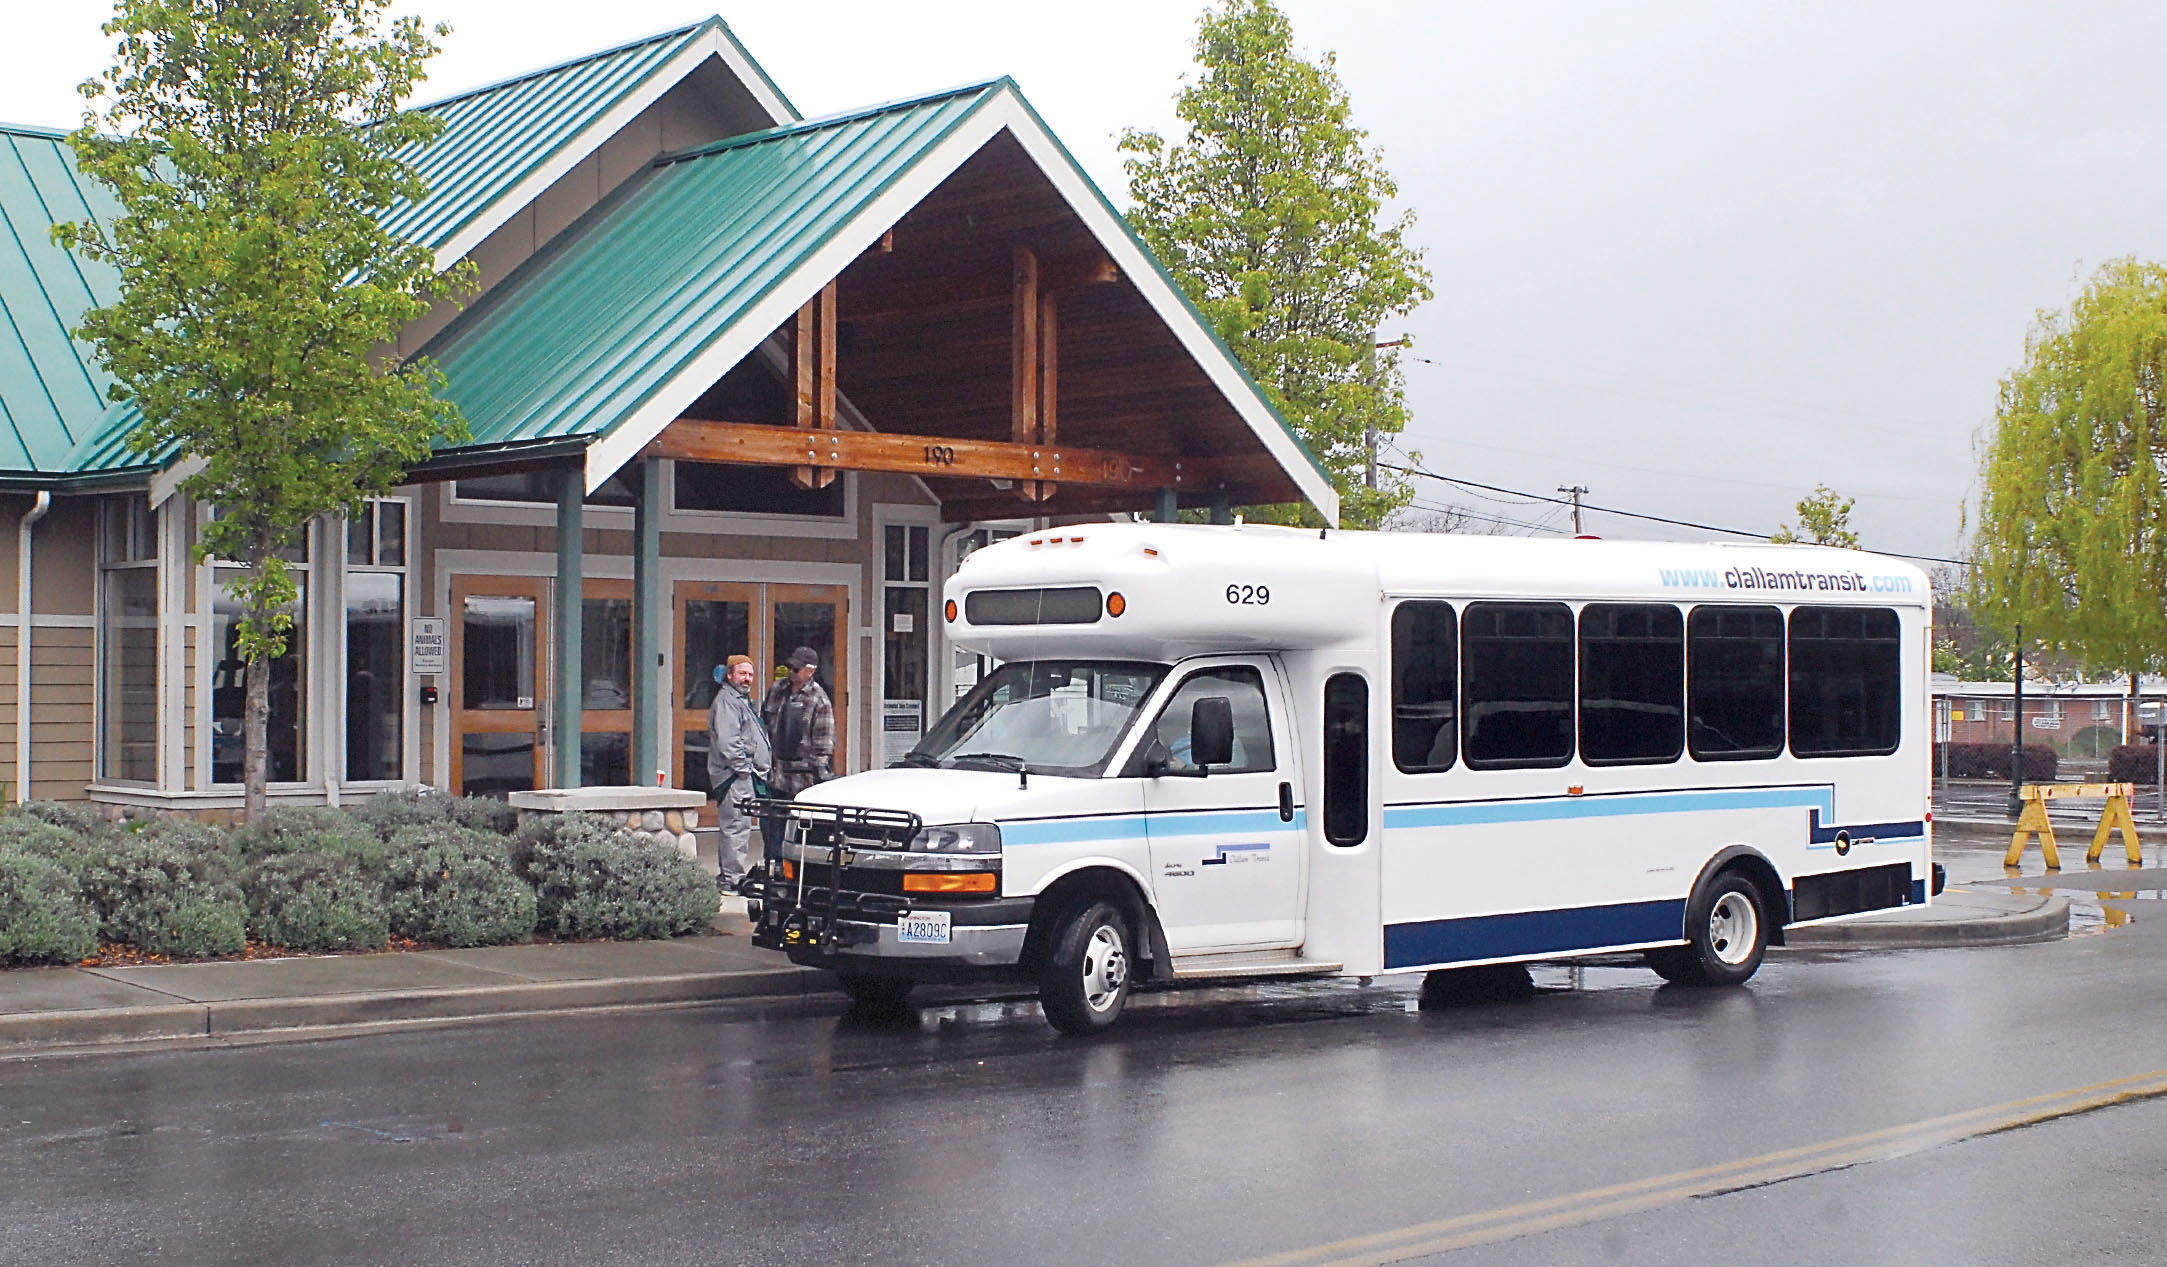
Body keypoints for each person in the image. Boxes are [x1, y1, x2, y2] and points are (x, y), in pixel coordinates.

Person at [707, 654, 772, 893]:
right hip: (733, 777)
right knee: (735, 826)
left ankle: (733, 875)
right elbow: (728, 741)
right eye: (742, 673)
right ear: (730, 674)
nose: (747, 679)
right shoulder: (727, 701)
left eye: (751, 674)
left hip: (743, 776)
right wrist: (744, 768)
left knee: (741, 826)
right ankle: (731, 879)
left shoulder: (740, 700)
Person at [763, 645, 836, 804]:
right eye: (789, 667)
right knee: (770, 825)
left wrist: (815, 778)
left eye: (796, 669)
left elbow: (823, 746)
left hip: (801, 782)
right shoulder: (777, 689)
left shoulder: (819, 700)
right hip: (773, 776)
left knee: (794, 826)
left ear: (810, 671)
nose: (791, 671)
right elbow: (764, 725)